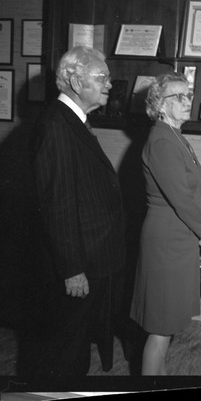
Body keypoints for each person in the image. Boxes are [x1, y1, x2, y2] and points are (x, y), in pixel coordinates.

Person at [30, 45, 126, 376]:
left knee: (77, 346)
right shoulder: (57, 124)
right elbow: (58, 204)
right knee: (64, 353)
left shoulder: (73, 121)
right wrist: (72, 269)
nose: (110, 85)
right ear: (73, 79)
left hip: (93, 257)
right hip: (79, 264)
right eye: (102, 77)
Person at [129, 71, 201, 375]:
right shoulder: (162, 140)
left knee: (167, 327)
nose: (187, 101)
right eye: (178, 96)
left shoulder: (175, 135)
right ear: (160, 105)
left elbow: (193, 189)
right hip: (166, 242)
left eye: (188, 95)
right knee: (160, 330)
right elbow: (180, 196)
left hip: (179, 238)